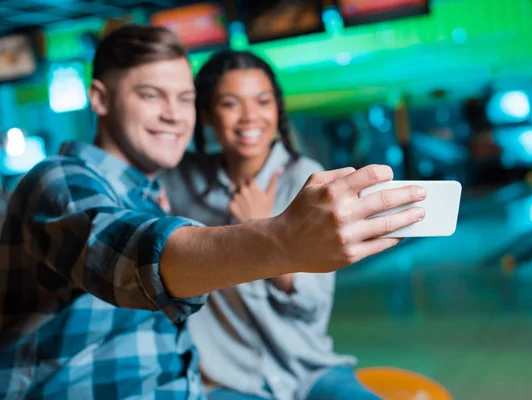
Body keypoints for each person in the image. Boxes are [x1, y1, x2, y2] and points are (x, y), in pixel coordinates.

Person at [0, 24, 427, 399]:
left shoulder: (154, 192)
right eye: (150, 95)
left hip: (285, 371)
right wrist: (280, 238)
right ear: (100, 99)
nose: (172, 114)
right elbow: (127, 255)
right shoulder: (59, 181)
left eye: (183, 98)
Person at [162, 50, 380, 400]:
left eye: (263, 101)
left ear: (277, 110)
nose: (250, 117)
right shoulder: (179, 181)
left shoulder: (307, 179)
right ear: (206, 115)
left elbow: (311, 305)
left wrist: (264, 229)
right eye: (230, 104)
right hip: (225, 377)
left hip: (308, 369)